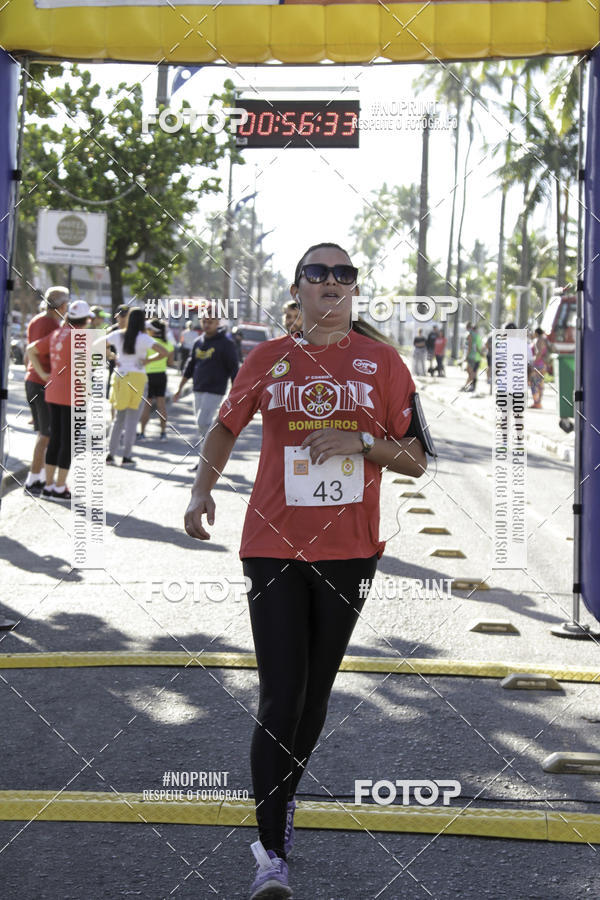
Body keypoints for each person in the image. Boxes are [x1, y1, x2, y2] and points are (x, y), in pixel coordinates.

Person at [183, 242, 427, 900]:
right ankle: (269, 854)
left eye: (344, 274)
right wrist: (201, 490)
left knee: (315, 697)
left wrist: (361, 443)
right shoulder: (268, 358)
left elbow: (415, 457)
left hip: (350, 551)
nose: (332, 281)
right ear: (298, 288)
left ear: (353, 291)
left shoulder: (383, 363)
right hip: (272, 545)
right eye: (318, 272)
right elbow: (225, 429)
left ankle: (283, 796)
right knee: (279, 693)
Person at [26, 300, 92, 501]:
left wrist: (43, 373)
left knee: (55, 439)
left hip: (53, 391)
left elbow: (31, 349)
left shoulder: (58, 333)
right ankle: (60, 487)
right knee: (68, 441)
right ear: (86, 319)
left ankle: (48, 486)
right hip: (73, 394)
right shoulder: (81, 337)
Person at [172, 309, 239, 472]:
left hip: (215, 389)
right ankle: (206, 459)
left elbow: (234, 370)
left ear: (218, 323)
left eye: (211, 321)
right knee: (201, 425)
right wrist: (179, 388)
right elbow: (189, 366)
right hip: (198, 388)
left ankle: (210, 458)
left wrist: (235, 393)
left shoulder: (226, 344)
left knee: (203, 422)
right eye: (204, 321)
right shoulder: (199, 341)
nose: (207, 324)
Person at [103, 308, 169, 465]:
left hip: (120, 376)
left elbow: (97, 344)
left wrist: (113, 356)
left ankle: (110, 455)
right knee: (132, 420)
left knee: (118, 418)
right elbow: (164, 352)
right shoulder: (144, 338)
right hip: (138, 377)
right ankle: (126, 456)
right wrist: (147, 361)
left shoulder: (117, 334)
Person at [23, 286, 69, 495]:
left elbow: (29, 352)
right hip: (41, 383)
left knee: (44, 433)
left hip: (33, 380)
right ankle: (33, 480)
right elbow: (37, 351)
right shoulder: (51, 324)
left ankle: (38, 477)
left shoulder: (37, 320)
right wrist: (42, 374)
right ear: (61, 306)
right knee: (46, 434)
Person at [138, 318, 174, 441]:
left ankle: (142, 433)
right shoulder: (168, 343)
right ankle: (163, 433)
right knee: (161, 405)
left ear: (152, 330)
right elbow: (171, 362)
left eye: (148, 329)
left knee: (146, 405)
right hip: (161, 375)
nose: (147, 331)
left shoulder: (148, 342)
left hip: (147, 376)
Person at [106, 305, 130, 400]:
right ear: (117, 316)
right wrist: (111, 355)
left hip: (129, 366)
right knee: (114, 390)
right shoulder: (111, 330)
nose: (123, 318)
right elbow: (103, 347)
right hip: (114, 364)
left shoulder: (132, 331)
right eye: (122, 316)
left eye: (126, 316)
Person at [529, 326, 550, 409]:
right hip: (544, 364)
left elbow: (539, 352)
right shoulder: (545, 339)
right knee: (540, 383)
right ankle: (538, 402)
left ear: (536, 333)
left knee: (533, 383)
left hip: (538, 364)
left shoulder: (538, 340)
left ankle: (536, 402)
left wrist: (533, 362)